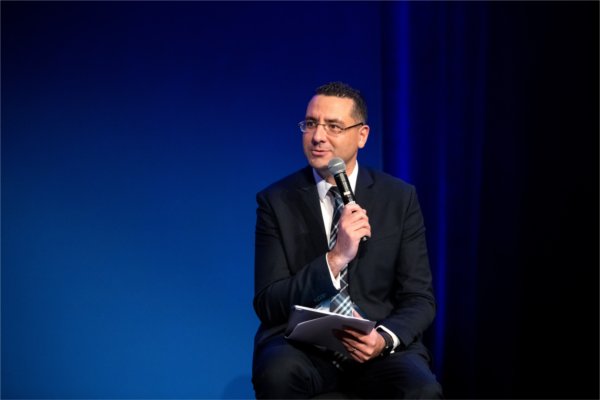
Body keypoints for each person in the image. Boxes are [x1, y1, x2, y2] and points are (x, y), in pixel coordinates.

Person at [252, 81, 443, 399]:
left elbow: (420, 298)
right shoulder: (276, 201)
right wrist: (335, 258)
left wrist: (383, 339)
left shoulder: (399, 198)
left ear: (362, 135)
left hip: (377, 345)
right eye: (311, 124)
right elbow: (268, 302)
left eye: (333, 126)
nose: (317, 137)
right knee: (277, 373)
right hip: (301, 346)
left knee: (421, 390)